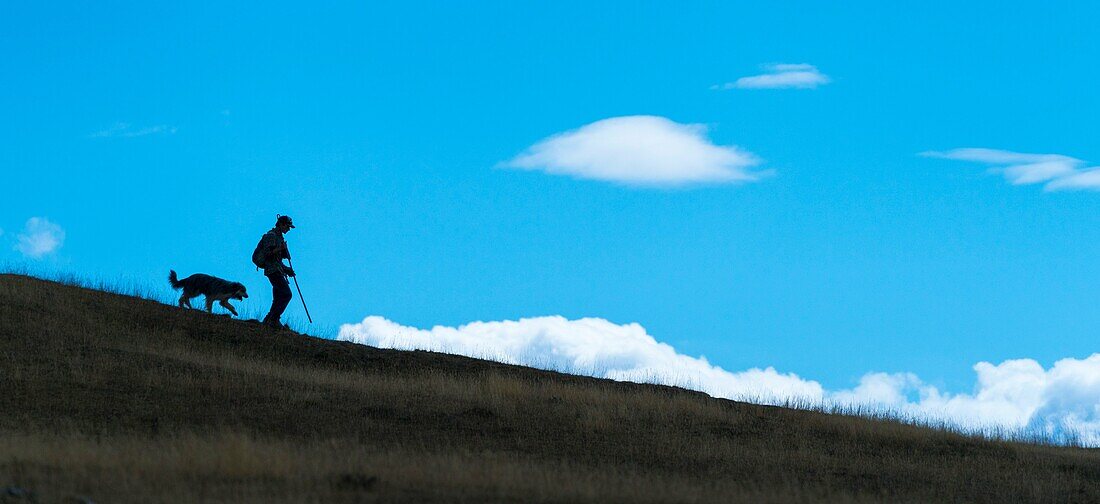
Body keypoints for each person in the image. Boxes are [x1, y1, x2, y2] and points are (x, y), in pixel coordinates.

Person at [257, 215, 296, 328]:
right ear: (282, 224)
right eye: (288, 226)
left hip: (277, 270)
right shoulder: (271, 236)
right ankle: (273, 320)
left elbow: (277, 261)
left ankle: (269, 320)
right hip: (272, 271)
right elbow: (268, 254)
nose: (288, 229)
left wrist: (287, 270)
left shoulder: (279, 238)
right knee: (286, 294)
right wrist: (281, 249)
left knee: (278, 297)